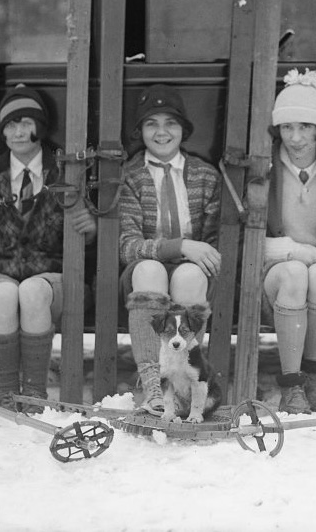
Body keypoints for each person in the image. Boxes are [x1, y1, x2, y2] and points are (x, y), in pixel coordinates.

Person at [0, 85, 96, 411]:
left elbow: (85, 234)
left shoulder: (64, 170)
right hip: (4, 276)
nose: (18, 132)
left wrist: (90, 229)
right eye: (10, 125)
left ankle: (33, 397)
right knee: (4, 295)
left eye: (26, 123)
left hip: (55, 282)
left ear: (39, 127)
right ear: (1, 131)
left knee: (32, 291)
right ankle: (7, 396)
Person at [119, 84, 221, 415]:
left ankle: (185, 383)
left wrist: (196, 253)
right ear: (140, 131)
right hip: (148, 275)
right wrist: (180, 246)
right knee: (150, 269)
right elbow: (129, 245)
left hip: (190, 276)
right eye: (151, 124)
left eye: (170, 123)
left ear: (183, 129)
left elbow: (214, 244)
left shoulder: (205, 175)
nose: (162, 132)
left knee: (191, 274)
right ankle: (153, 385)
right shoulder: (130, 176)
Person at [263, 68, 316, 414]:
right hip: (275, 276)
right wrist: (295, 252)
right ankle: (291, 382)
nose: (295, 138)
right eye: (287, 127)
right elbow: (247, 243)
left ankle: (310, 372)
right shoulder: (263, 170)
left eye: (305, 127)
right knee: (295, 272)